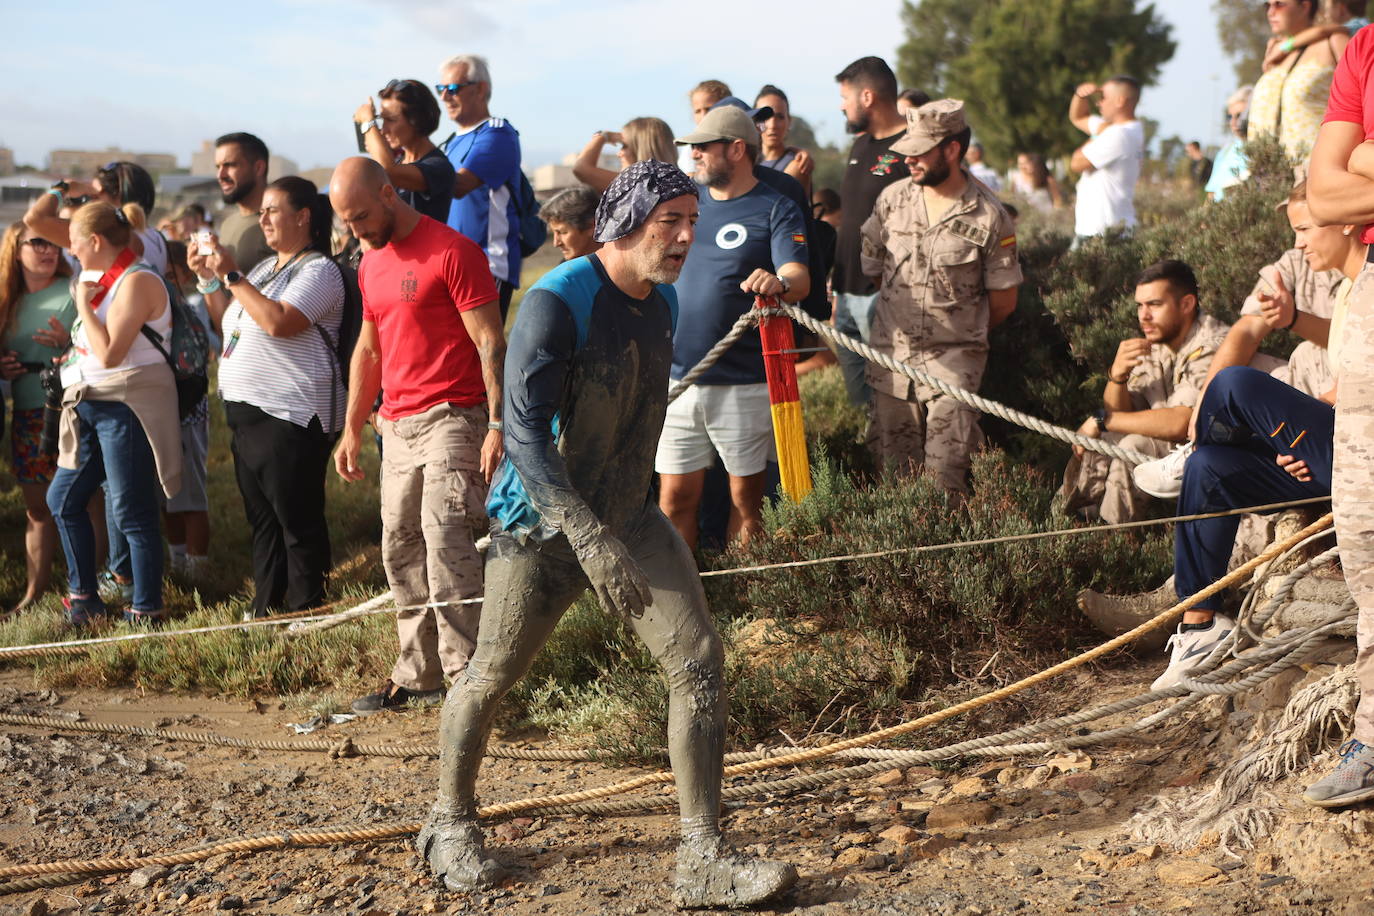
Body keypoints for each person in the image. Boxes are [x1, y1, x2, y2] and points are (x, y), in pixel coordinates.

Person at [416, 160, 797, 908]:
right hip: (544, 527)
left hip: (631, 517)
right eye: (672, 223)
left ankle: (701, 857)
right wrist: (587, 539)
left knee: (698, 660)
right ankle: (447, 823)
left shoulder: (660, 304)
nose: (688, 237)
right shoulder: (557, 303)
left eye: (692, 222)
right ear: (625, 222)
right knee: (492, 674)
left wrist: (618, 526)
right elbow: (525, 437)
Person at [330, 157, 505, 715]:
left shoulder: (453, 251)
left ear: (388, 193)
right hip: (398, 423)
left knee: (447, 540)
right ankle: (419, 673)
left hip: (455, 414)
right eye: (346, 221)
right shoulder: (369, 261)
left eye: (360, 216)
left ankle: (468, 682)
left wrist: (498, 424)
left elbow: (491, 344)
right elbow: (369, 347)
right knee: (399, 547)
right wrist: (352, 426)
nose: (355, 230)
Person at [1132, 179, 1349, 499]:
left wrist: (1294, 320)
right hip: (1321, 405)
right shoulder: (1293, 262)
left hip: (1342, 419)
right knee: (1211, 453)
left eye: (1304, 227)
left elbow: (1353, 355)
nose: (1298, 242)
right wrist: (1207, 400)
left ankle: (1208, 445)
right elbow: (1247, 330)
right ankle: (1204, 448)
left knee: (1242, 380)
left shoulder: (1361, 272)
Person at [190, 177, 346, 620]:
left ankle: (307, 608)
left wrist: (231, 274)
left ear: (303, 217)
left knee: (296, 519)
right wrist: (209, 281)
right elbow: (232, 324)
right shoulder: (263, 270)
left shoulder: (318, 270)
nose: (263, 218)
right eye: (261, 212)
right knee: (263, 521)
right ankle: (267, 607)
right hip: (248, 414)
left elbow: (280, 322)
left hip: (291, 412)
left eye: (272, 210)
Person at [655, 105, 810, 549]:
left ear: (737, 149)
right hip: (678, 381)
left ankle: (746, 604)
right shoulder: (685, 206)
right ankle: (688, 603)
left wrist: (779, 282)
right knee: (674, 498)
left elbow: (799, 278)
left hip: (744, 381)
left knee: (746, 503)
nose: (695, 155)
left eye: (704, 147)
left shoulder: (776, 207)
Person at [860, 99, 1022, 495]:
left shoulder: (988, 216)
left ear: (952, 149)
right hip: (891, 364)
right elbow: (873, 269)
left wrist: (954, 333)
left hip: (952, 369)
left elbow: (1003, 303)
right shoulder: (891, 200)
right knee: (893, 485)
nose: (909, 160)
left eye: (920, 151)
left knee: (944, 483)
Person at [1300, 18, 1374, 807]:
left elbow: (1351, 171)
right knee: (1363, 530)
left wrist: (1364, 161)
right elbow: (1326, 190)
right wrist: (1348, 166)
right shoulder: (1365, 47)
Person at [46, 201, 181, 626]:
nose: (71, 253)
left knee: (131, 510)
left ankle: (147, 608)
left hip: (127, 407)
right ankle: (83, 600)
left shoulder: (137, 280)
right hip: (89, 405)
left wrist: (83, 306)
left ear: (96, 241)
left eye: (74, 244)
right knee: (63, 500)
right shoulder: (98, 277)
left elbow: (110, 353)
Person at [1059, 260, 1229, 524]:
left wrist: (1102, 420)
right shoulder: (1156, 342)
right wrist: (1117, 377)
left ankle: (1111, 543)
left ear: (1186, 304)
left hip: (1215, 449)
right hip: (1178, 449)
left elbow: (1182, 421)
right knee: (1102, 440)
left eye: (1154, 305)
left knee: (1131, 445)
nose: (1143, 316)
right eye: (1140, 305)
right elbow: (1124, 416)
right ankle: (1072, 523)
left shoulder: (1212, 344)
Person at [0, 223, 75, 612]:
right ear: (16, 249)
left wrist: (68, 342)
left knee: (85, 500)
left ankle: (86, 592)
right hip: (27, 412)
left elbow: (100, 341)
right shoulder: (6, 299)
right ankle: (33, 595)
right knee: (36, 508)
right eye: (38, 243)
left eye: (54, 243)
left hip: (73, 408)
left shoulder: (74, 290)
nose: (48, 250)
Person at [832, 57, 912, 407]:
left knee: (895, 402)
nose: (841, 106)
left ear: (867, 97)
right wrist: (837, 292)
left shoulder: (914, 146)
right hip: (847, 297)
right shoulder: (860, 145)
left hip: (884, 297)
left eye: (846, 97)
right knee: (860, 405)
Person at [436, 54, 523, 320]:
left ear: (480, 88)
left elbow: (460, 185)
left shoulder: (496, 132)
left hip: (487, 266)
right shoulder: (450, 142)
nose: (445, 97)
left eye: (453, 88)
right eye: (440, 89)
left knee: (482, 354)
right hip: (452, 265)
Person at [160, 241, 211, 582]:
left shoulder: (191, 304)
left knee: (190, 494)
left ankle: (197, 569)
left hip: (187, 408)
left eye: (166, 273)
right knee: (169, 494)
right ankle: (178, 561)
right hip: (166, 408)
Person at [25, 162, 169, 274]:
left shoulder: (111, 234)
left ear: (116, 195)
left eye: (93, 195)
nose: (88, 202)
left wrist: (63, 187)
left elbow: (34, 218)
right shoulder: (157, 238)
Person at [1250, 0, 1346, 160]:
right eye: (1267, 5)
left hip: (1313, 171)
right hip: (1265, 175)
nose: (1270, 12)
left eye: (1279, 4)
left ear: (1305, 6)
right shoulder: (1274, 52)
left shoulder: (1333, 42)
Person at [356, 79, 455, 224]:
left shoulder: (438, 167)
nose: (383, 130)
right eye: (382, 120)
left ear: (417, 120)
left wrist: (367, 122)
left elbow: (387, 170)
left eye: (390, 120)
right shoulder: (399, 161)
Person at [1068, 76, 1145, 243]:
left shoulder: (1118, 134)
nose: (1099, 103)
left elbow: (1076, 163)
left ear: (1120, 100)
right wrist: (1080, 96)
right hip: (1107, 229)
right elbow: (1078, 118)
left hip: (1102, 233)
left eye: (1103, 98)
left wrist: (1096, 135)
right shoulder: (1125, 130)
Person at [213, 133, 274, 271]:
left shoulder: (279, 224)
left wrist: (232, 275)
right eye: (218, 167)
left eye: (230, 165)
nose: (220, 175)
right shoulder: (227, 224)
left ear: (258, 168)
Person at [572, 117, 676, 193]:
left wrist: (602, 136)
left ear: (641, 149)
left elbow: (580, 168)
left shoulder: (638, 182)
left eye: (624, 146)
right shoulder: (676, 181)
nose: (619, 153)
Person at [1262, 0, 1366, 71]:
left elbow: (1320, 31)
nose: (1323, 12)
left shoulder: (1358, 25)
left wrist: (1284, 47)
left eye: (1326, 6)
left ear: (1340, 8)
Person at [754, 85, 815, 196]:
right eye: (765, 117)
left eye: (780, 117)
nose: (772, 125)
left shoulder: (798, 163)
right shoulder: (747, 161)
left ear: (789, 121)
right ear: (755, 121)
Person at [1206, 86, 1254, 202]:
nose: (1233, 122)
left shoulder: (1267, 150)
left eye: (1239, 115)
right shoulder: (1225, 152)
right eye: (1229, 117)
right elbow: (1211, 195)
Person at [541, 187, 601, 261]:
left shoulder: (615, 268)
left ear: (590, 226)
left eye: (562, 232)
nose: (556, 243)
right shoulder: (565, 267)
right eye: (554, 233)